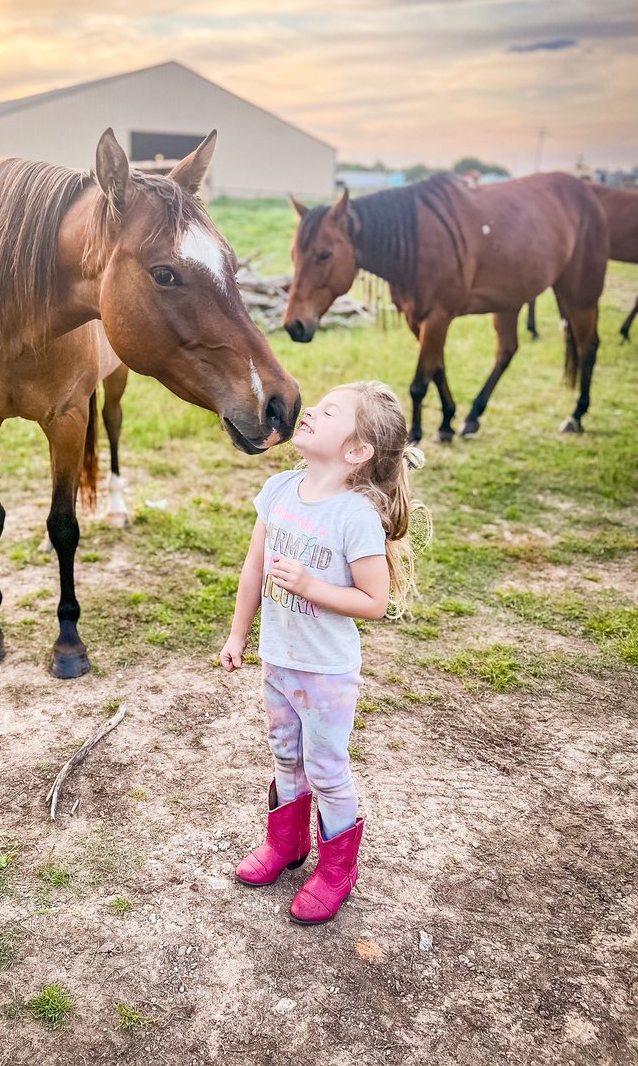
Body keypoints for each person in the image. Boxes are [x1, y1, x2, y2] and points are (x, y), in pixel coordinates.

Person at [220, 380, 428, 924]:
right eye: (319, 404)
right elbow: (253, 567)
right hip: (278, 659)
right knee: (285, 755)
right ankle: (286, 843)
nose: (310, 410)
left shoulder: (354, 516)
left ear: (356, 451)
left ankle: (337, 870)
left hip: (327, 673)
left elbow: (374, 602)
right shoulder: (279, 490)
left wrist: (312, 587)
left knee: (327, 769)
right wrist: (239, 634)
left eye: (331, 412)